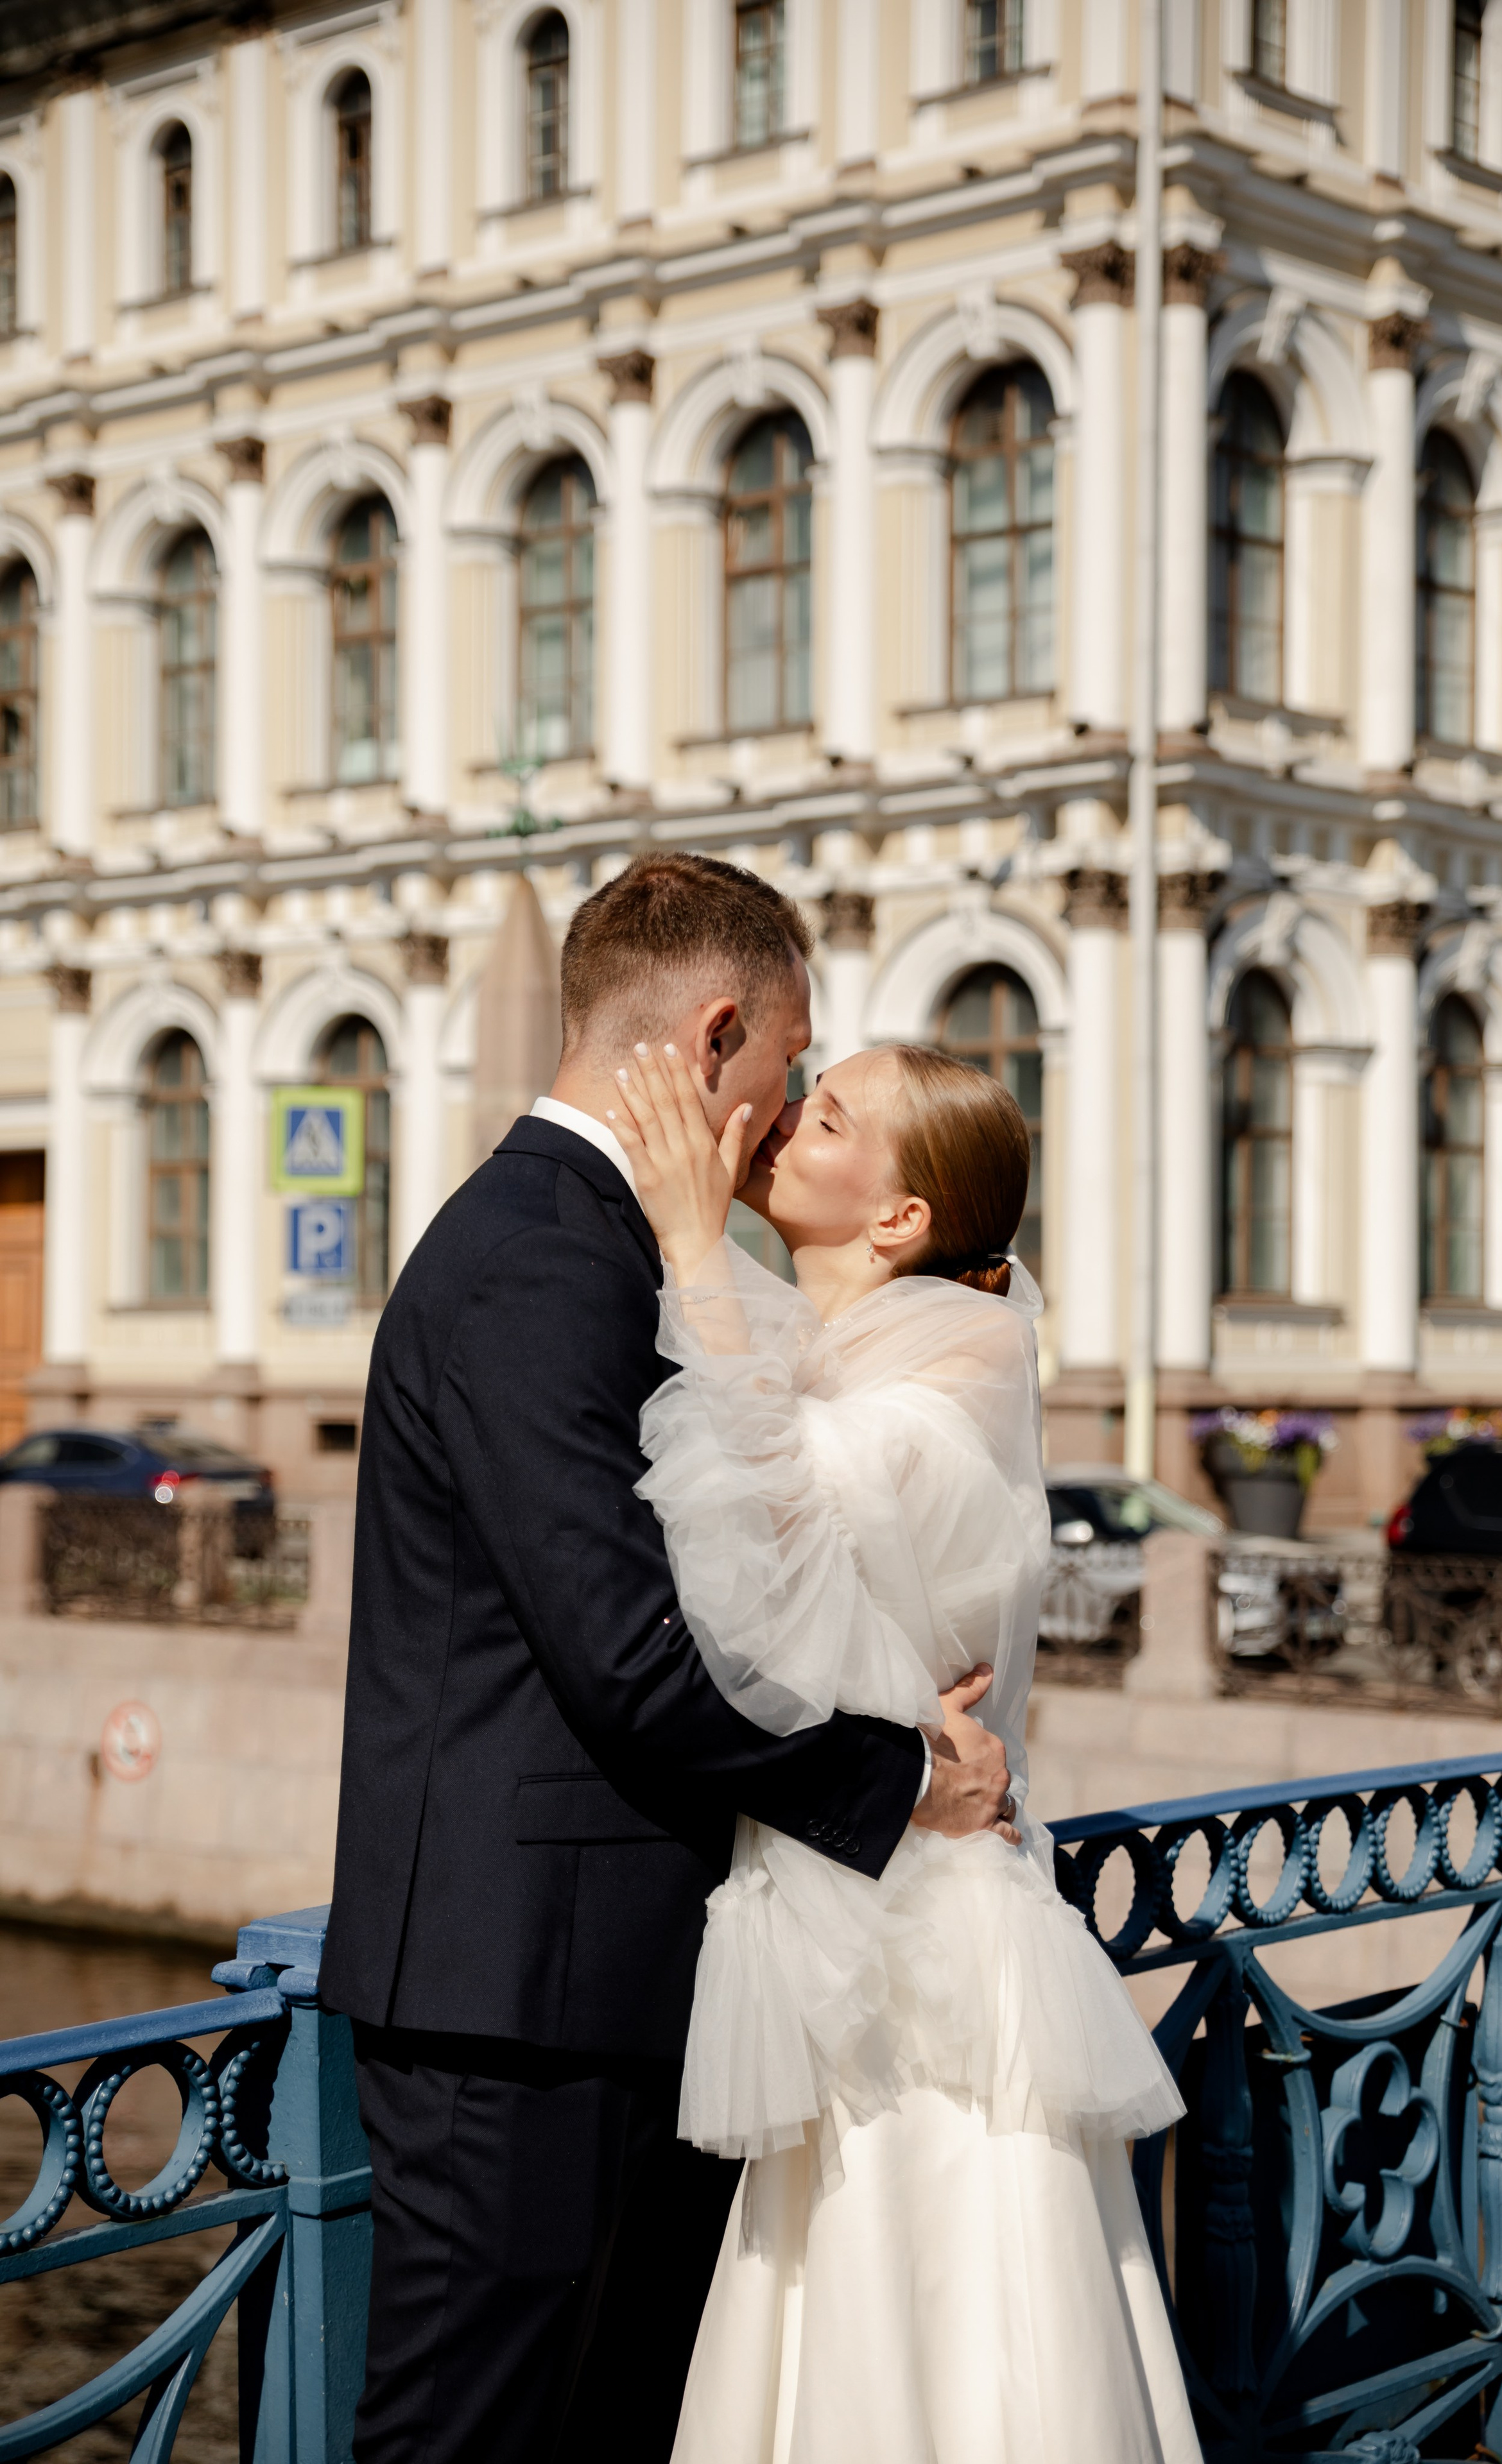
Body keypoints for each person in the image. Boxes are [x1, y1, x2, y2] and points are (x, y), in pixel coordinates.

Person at [316, 853, 1014, 2463]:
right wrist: (902, 1775)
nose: (784, 1110)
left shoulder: (601, 1243)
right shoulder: (540, 1257)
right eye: (789, 1064)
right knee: (468, 2441)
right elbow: (631, 1655)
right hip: (519, 2008)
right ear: (715, 1038)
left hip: (601, 1979)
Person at [604, 1035, 1200, 2464]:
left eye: (826, 1117)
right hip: (849, 1892)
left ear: (899, 1220)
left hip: (917, 1953)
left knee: (935, 2306)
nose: (786, 1124)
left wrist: (689, 1241)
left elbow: (757, 1569)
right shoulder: (821, 1346)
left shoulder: (957, 1368)